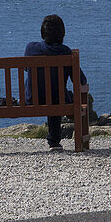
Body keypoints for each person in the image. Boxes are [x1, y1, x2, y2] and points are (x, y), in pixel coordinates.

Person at [24, 15, 87, 151]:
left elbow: (25, 69)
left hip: (33, 99)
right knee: (58, 95)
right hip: (58, 100)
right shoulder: (66, 52)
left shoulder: (31, 48)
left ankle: (54, 140)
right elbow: (81, 80)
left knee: (47, 91)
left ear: (43, 33)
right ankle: (54, 141)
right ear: (62, 34)